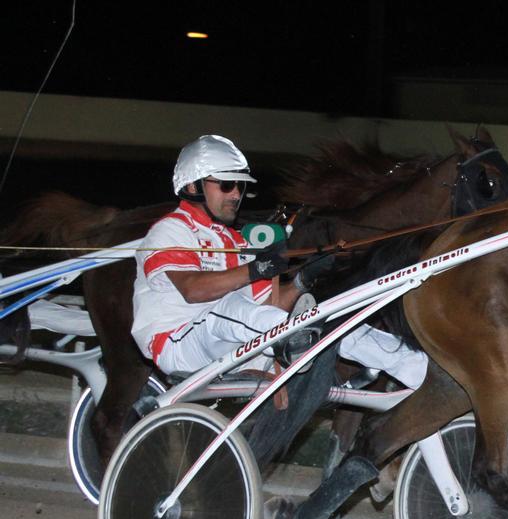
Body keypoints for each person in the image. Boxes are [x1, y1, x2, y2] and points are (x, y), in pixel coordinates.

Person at [131, 134, 427, 387]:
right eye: (226, 185)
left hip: (228, 341)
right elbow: (193, 290)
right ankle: (297, 349)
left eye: (240, 186)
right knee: (229, 307)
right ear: (194, 187)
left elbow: (268, 308)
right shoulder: (171, 229)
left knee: (323, 313)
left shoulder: (235, 242)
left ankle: (413, 366)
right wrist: (255, 268)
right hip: (176, 345)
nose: (236, 194)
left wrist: (305, 279)